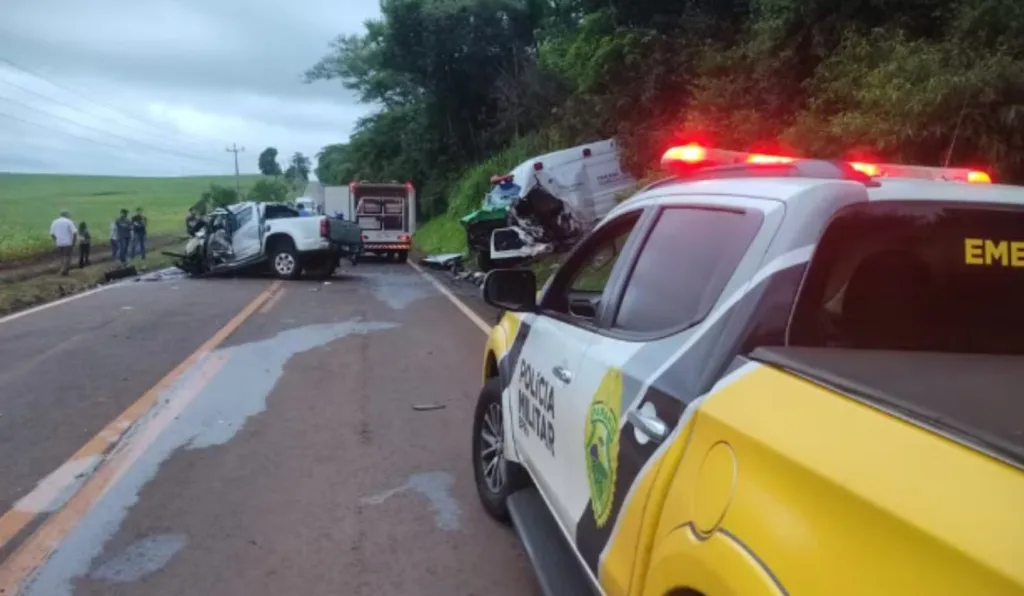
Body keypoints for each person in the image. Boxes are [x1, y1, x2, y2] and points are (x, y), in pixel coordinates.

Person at [49, 210, 77, 276]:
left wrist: (56, 239)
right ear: (66, 215)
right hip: (68, 242)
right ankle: (63, 270)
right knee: (67, 257)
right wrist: (73, 243)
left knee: (62, 257)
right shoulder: (68, 221)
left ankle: (65, 272)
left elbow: (52, 234)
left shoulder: (54, 222)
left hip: (59, 242)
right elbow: (74, 233)